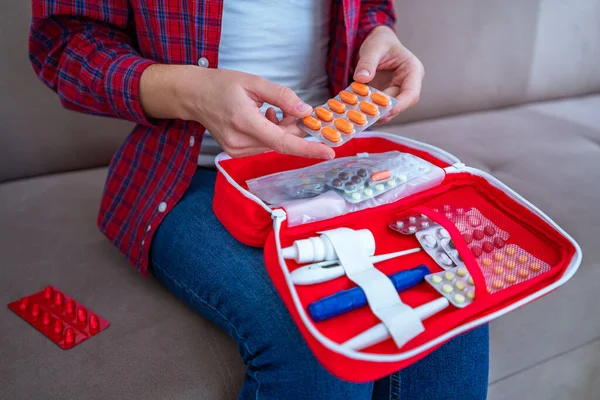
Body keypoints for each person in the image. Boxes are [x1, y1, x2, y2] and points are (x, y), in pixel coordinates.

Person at [29, 1, 489, 398]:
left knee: (454, 305)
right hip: (191, 175)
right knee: (319, 344)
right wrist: (188, 92)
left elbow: (368, 6)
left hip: (336, 165)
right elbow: (63, 44)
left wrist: (377, 33)